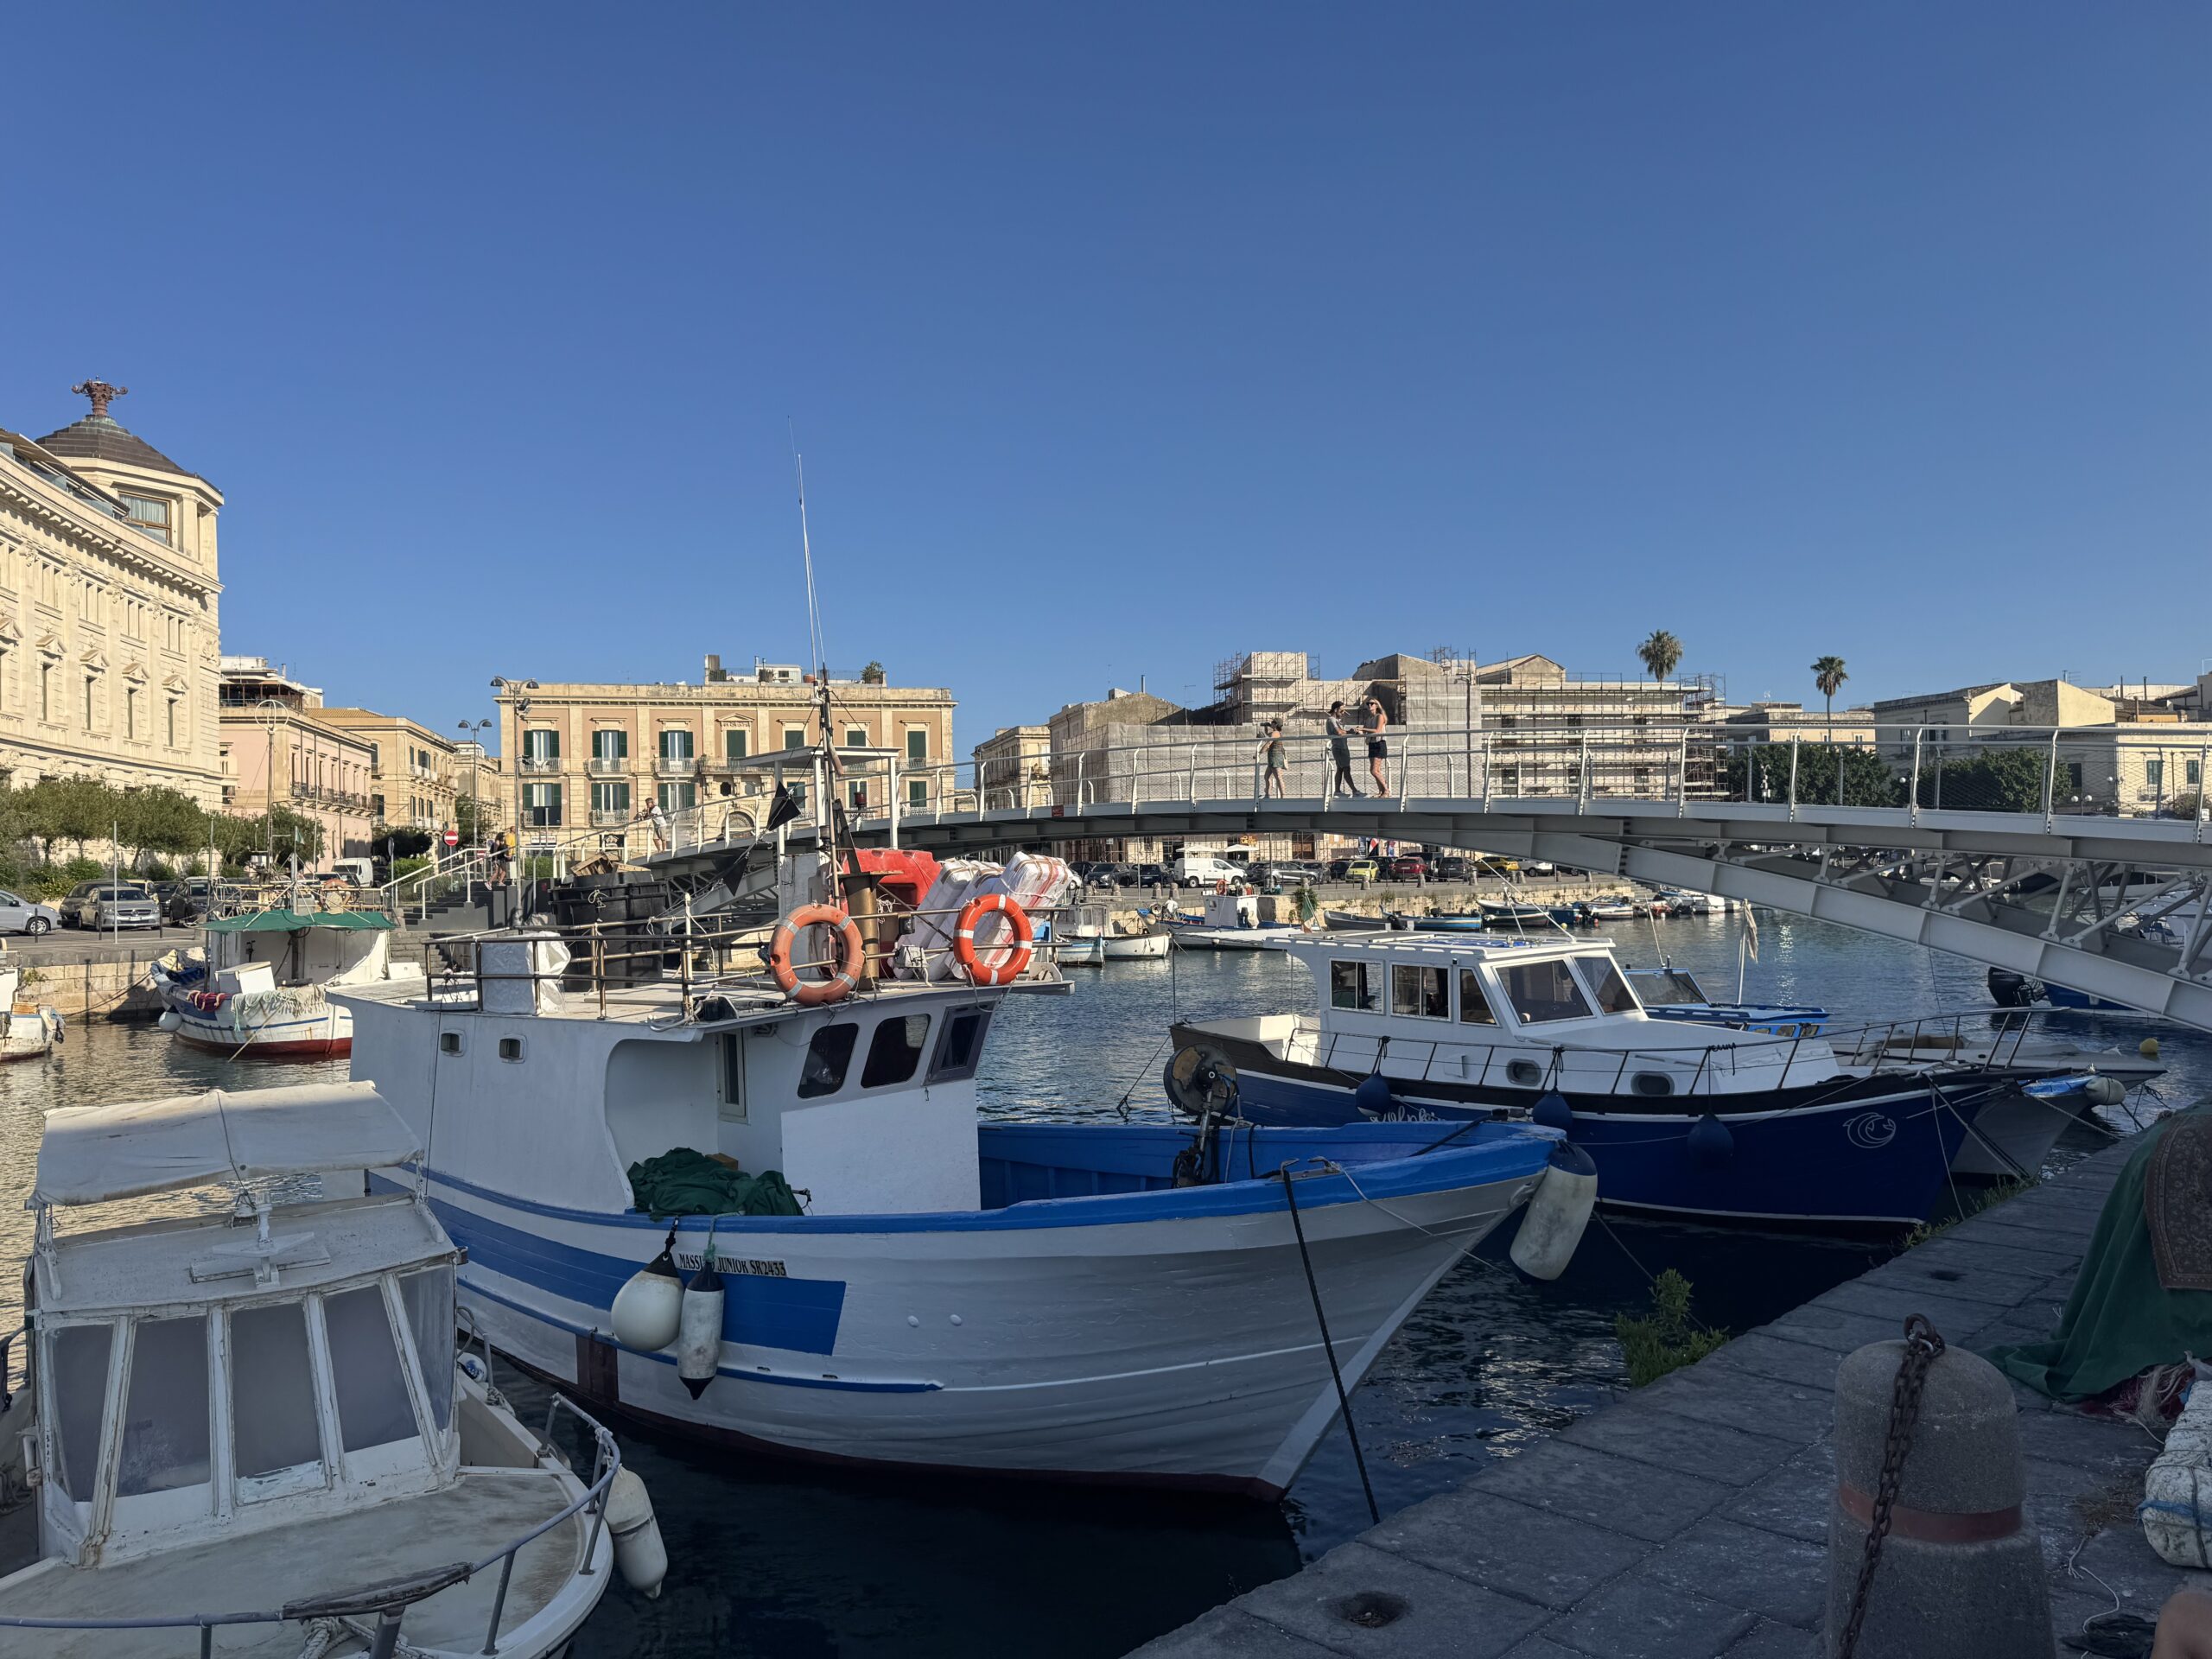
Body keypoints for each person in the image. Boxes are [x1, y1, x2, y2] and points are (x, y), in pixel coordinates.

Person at [1325, 702, 1357, 798]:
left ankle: (1337, 791)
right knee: (1346, 769)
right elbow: (1339, 732)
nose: (1343, 713)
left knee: (1340, 769)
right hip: (1339, 748)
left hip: (1341, 747)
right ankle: (1355, 791)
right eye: (1342, 711)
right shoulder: (1331, 720)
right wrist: (1350, 732)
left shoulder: (1336, 720)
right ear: (1336, 710)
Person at [1364, 697, 1391, 798]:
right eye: (1368, 703)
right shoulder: (1368, 718)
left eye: (1372, 703)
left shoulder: (1380, 716)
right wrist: (1357, 730)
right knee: (1377, 770)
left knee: (1374, 771)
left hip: (1379, 743)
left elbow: (1377, 730)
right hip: (1372, 744)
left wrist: (1363, 729)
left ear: (1376, 706)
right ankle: (1381, 791)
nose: (1369, 705)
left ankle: (1386, 790)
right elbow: (1365, 730)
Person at [1259, 719, 1287, 798]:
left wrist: (1260, 752)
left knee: (1278, 777)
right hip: (1272, 759)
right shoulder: (1276, 733)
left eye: (1272, 723)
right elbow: (1268, 734)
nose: (1271, 724)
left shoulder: (1276, 733)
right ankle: (1267, 795)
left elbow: (1269, 742)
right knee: (1267, 777)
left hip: (1275, 758)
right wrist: (1266, 727)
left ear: (1276, 724)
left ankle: (1283, 797)